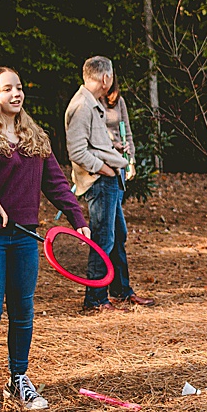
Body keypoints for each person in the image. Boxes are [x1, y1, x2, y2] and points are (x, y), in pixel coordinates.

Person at [0, 66, 88, 412]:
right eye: (8, 88)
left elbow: (56, 183)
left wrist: (78, 220)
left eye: (20, 88)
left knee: (23, 311)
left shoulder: (34, 136)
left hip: (24, 237)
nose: (16, 93)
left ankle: (18, 379)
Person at [66, 56, 153, 312]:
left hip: (110, 179)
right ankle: (95, 301)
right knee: (103, 239)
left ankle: (120, 291)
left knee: (117, 236)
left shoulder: (92, 104)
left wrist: (115, 152)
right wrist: (104, 169)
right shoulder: (82, 106)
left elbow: (95, 143)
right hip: (101, 181)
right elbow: (77, 151)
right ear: (105, 78)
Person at [101, 74, 136, 181]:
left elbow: (127, 132)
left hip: (120, 161)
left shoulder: (119, 101)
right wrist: (113, 145)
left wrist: (131, 161)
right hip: (102, 163)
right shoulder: (91, 102)